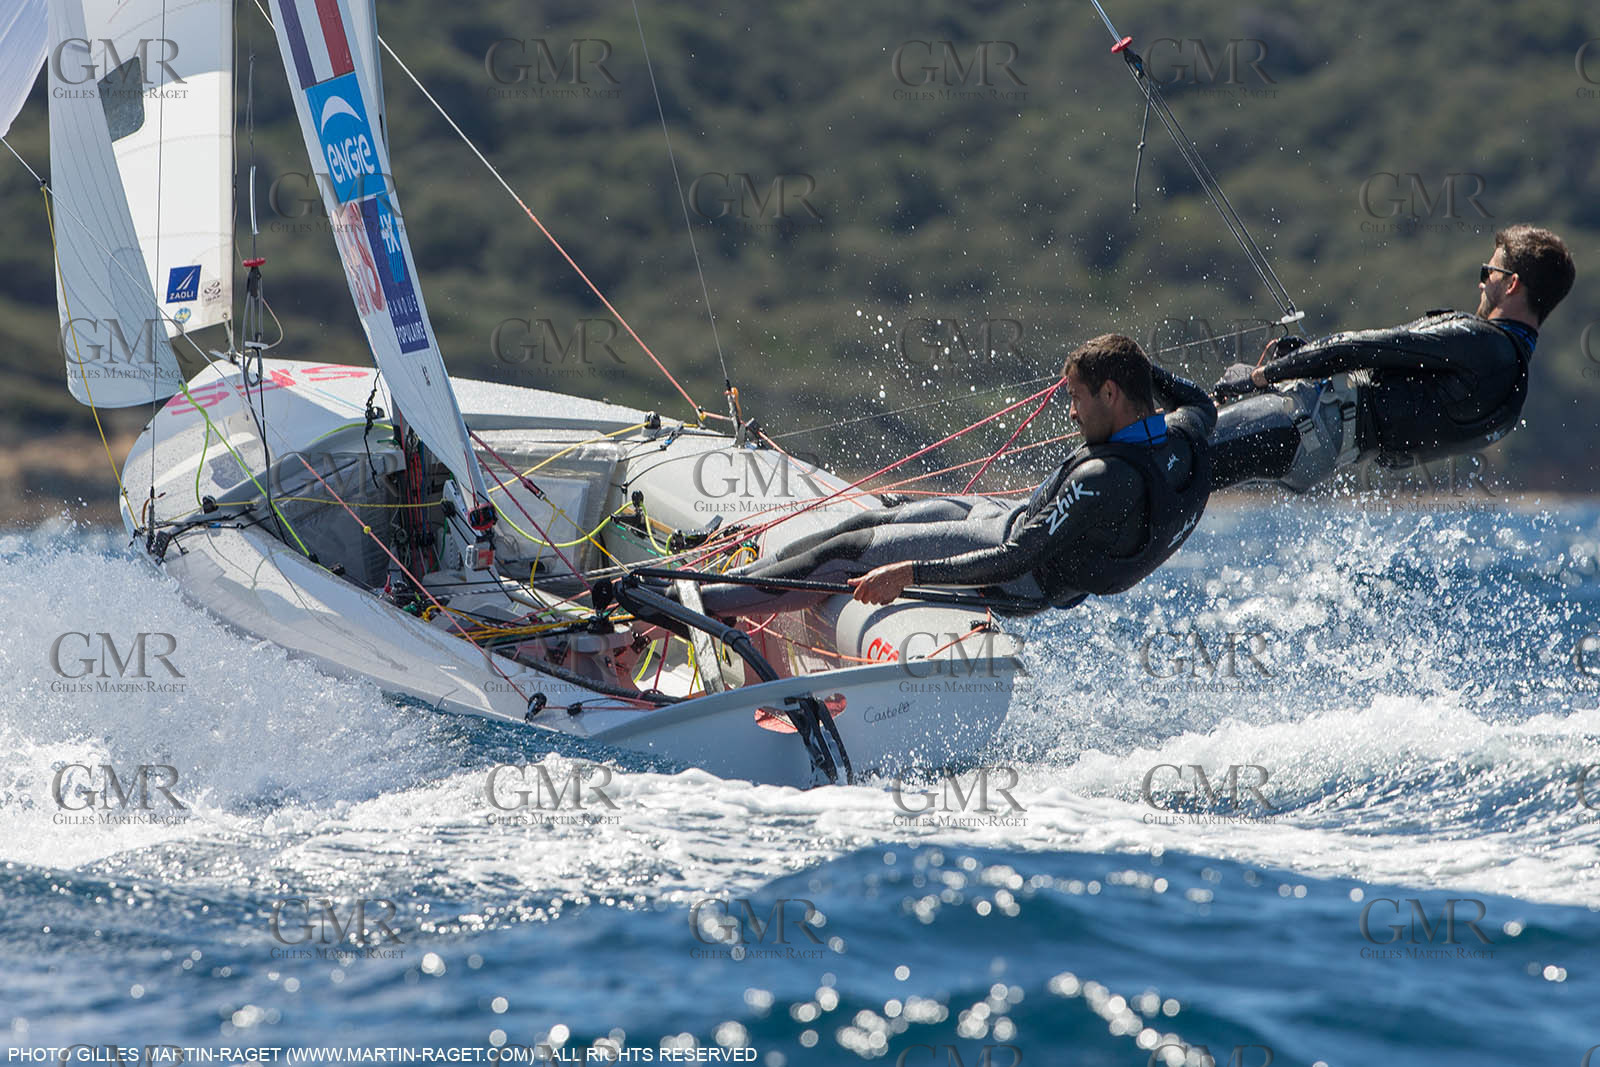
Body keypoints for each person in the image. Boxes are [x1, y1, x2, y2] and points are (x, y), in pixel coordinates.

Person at [696, 333, 1215, 617]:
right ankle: (739, 579)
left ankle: (696, 602)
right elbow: (1201, 401)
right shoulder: (1184, 434)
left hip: (1017, 578)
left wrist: (910, 575)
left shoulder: (1103, 479)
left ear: (1109, 394)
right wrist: (1137, 366)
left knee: (849, 553)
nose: (1072, 414)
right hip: (1005, 521)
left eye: (1077, 398)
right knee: (871, 521)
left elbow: (1016, 558)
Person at [1209, 224, 1575, 492]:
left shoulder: (1484, 344)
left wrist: (1260, 377)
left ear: (1511, 284)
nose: (1482, 282)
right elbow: (1394, 447)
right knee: (1193, 472)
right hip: (1318, 458)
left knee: (1185, 446)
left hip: (1302, 422)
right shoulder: (1511, 400)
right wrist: (1304, 362)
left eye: (1489, 272)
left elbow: (1351, 347)